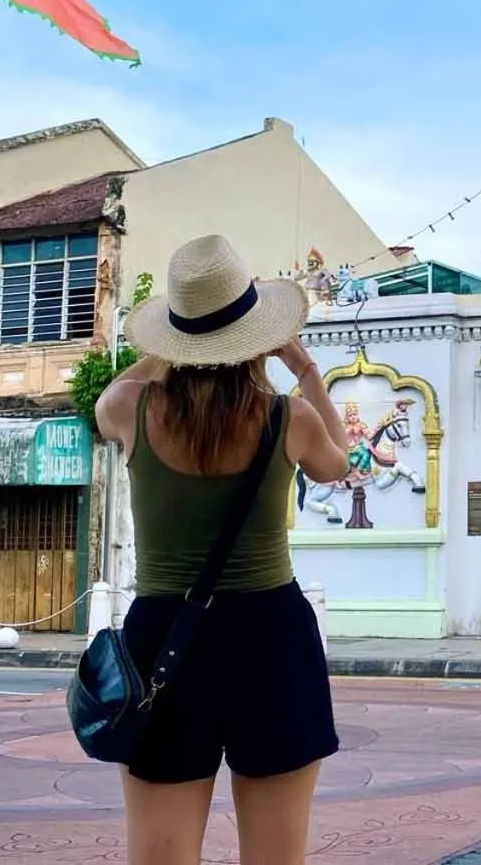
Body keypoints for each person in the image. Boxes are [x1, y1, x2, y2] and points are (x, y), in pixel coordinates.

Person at [96, 234, 350, 864]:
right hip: (271, 636)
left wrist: (167, 350)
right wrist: (307, 369)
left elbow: (119, 392)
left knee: (159, 857)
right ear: (255, 337)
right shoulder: (290, 418)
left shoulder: (129, 407)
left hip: (163, 639)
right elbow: (338, 464)